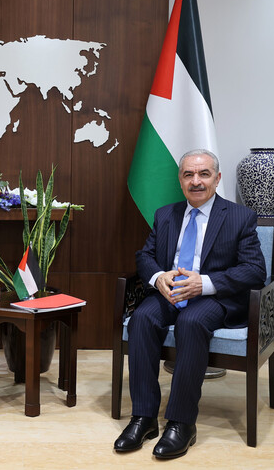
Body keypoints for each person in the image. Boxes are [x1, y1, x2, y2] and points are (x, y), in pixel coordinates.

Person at [114, 149, 266, 459]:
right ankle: (143, 418)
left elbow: (255, 270)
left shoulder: (240, 217)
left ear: (217, 178)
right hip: (170, 292)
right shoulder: (165, 214)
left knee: (191, 322)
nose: (196, 181)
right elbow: (144, 256)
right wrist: (158, 277)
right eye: (188, 175)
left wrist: (204, 284)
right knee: (142, 318)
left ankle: (181, 422)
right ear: (180, 180)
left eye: (204, 174)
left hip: (214, 297)